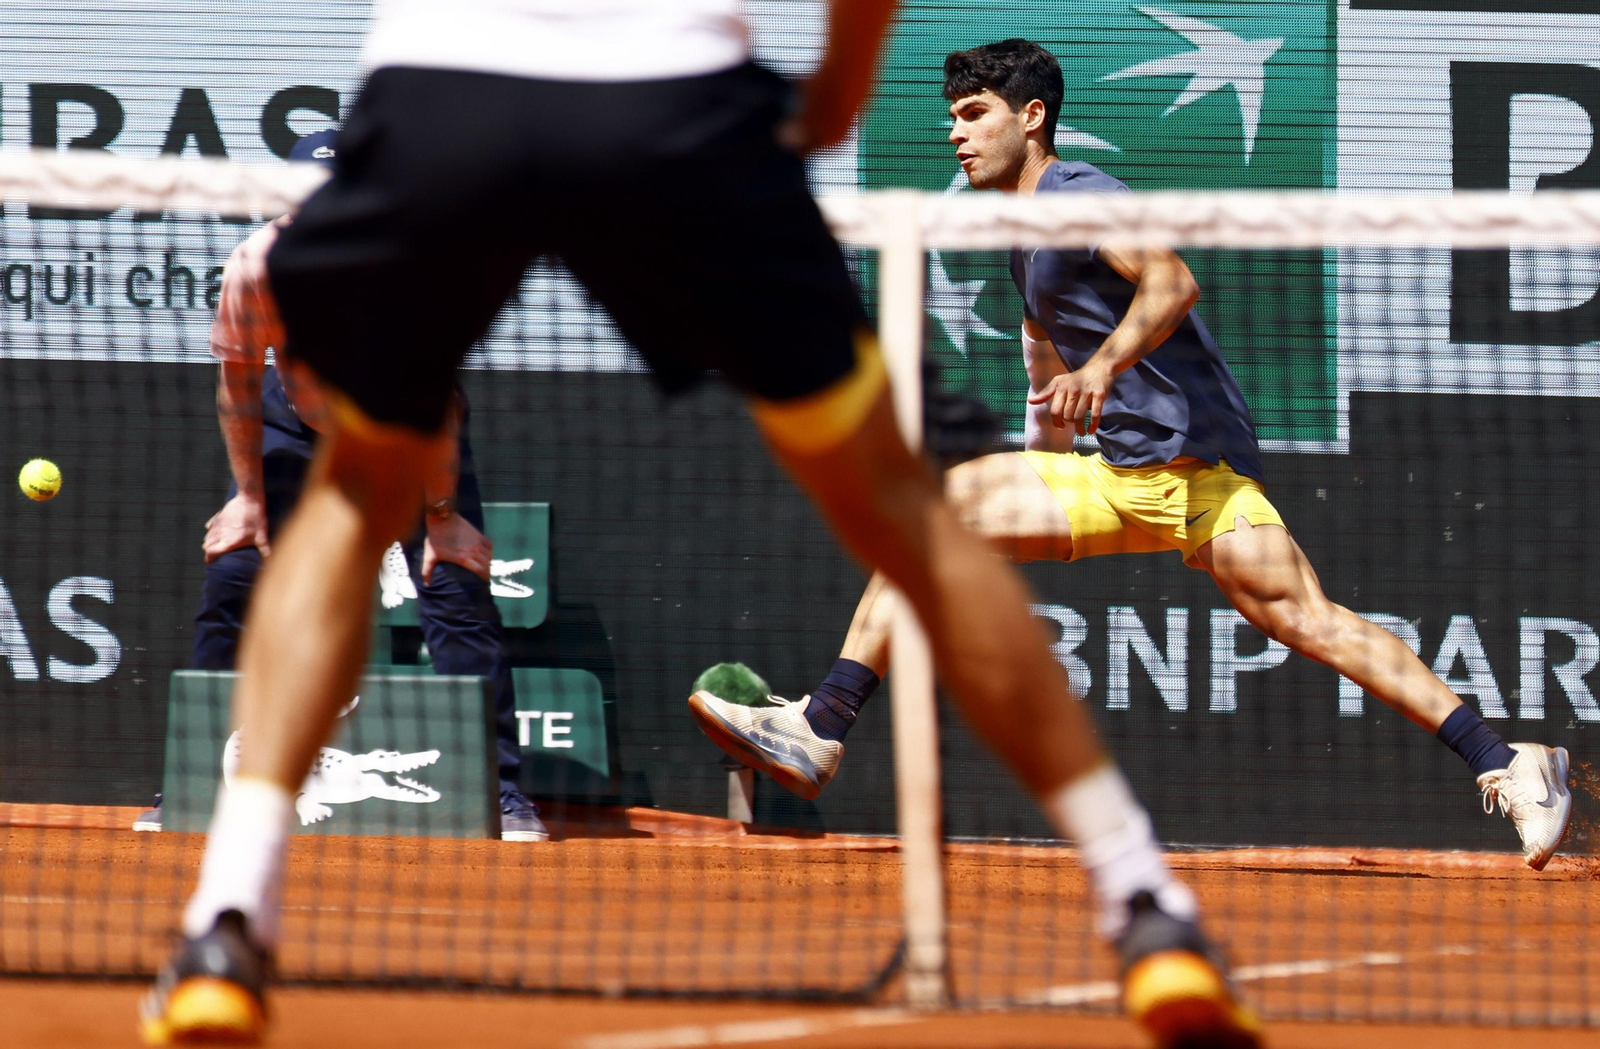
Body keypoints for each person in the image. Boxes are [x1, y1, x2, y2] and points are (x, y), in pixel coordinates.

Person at [140, 7, 1260, 1048]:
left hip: (446, 85)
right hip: (670, 97)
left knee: (341, 503)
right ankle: (1144, 905)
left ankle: (226, 920)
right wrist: (833, 93)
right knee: (906, 511)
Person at [688, 39, 1573, 874]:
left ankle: (1511, 761)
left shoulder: (1076, 191)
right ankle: (823, 721)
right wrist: (1043, 464)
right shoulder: (1022, 236)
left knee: (1310, 622)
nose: (954, 133)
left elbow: (1173, 280)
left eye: (973, 113)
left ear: (1031, 117)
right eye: (952, 117)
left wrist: (1103, 370)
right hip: (1115, 478)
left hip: (1198, 472)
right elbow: (1043, 363)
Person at [130, 131, 547, 844]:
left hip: (400, 428)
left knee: (454, 588)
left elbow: (436, 400)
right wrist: (248, 498)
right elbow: (236, 385)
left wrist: (442, 516)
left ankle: (501, 790)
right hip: (290, 426)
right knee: (234, 575)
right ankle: (195, 779)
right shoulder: (255, 265)